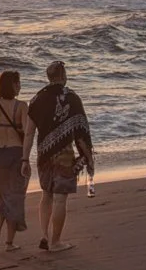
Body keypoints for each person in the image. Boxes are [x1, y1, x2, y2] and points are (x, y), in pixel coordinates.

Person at [22, 60, 94, 252]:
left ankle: (45, 236)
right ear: (63, 75)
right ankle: (55, 242)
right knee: (60, 198)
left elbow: (29, 133)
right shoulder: (72, 98)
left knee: (46, 195)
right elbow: (81, 132)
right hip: (64, 154)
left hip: (43, 154)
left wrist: (24, 159)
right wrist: (88, 157)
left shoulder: (36, 99)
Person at [0, 70, 30, 251]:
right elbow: (27, 134)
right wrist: (26, 159)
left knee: (1, 198)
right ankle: (9, 243)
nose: (20, 87)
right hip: (16, 154)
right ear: (13, 85)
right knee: (14, 198)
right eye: (18, 83)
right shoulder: (22, 106)